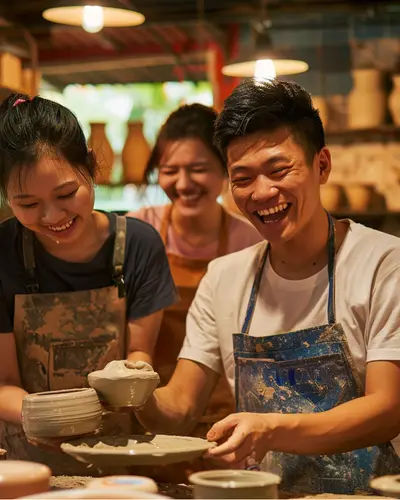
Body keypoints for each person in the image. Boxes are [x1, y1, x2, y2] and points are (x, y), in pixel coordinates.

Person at [134, 79, 400, 495]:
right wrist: (130, 392)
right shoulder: (224, 278)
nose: (262, 193)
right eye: (242, 178)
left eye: (278, 170)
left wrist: (270, 429)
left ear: (322, 165)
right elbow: (180, 408)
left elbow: (389, 408)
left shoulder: (384, 263)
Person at [0, 93, 176, 472]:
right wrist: (50, 416)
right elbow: (3, 383)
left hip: (117, 456)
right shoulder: (3, 252)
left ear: (92, 167)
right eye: (28, 204)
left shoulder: (138, 245)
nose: (52, 216)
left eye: (66, 194)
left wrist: (130, 386)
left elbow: (138, 358)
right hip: (24, 461)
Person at [128, 103, 262, 436]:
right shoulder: (139, 231)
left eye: (198, 168)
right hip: (148, 413)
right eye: (170, 169)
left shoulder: (251, 239)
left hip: (228, 419)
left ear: (224, 170)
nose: (183, 183)